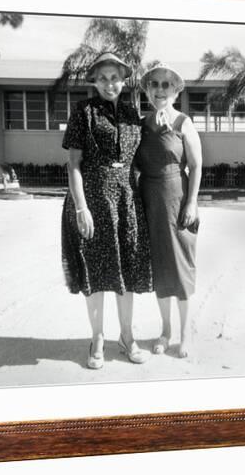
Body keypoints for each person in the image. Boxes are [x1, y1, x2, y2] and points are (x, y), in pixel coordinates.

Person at [61, 52, 152, 369]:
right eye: (103, 77)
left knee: (125, 271)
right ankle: (97, 338)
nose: (109, 83)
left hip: (127, 202)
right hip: (93, 200)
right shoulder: (83, 112)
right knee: (96, 274)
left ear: (123, 80)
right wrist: (81, 207)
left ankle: (127, 336)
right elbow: (73, 164)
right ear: (95, 81)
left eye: (115, 77)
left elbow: (147, 156)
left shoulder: (132, 114)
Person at [135, 62, 203, 358]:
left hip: (178, 197)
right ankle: (165, 331)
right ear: (148, 90)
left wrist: (192, 201)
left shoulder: (183, 122)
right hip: (149, 199)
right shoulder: (141, 124)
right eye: (154, 84)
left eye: (166, 84)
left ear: (176, 90)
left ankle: (185, 334)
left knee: (181, 268)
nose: (159, 90)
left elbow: (197, 164)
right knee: (160, 270)